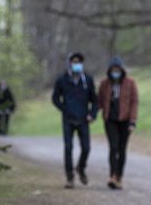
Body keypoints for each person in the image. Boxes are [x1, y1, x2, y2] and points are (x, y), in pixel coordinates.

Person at [52, 52, 98, 188]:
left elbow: (94, 100)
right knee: (68, 147)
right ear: (70, 63)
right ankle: (70, 177)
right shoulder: (62, 80)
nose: (76, 64)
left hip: (83, 119)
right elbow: (55, 98)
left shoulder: (87, 80)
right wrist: (64, 109)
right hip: (68, 119)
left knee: (86, 147)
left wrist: (92, 114)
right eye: (74, 62)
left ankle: (81, 168)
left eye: (79, 62)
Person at [97, 56, 139, 190]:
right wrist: (92, 113)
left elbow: (134, 102)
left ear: (122, 70)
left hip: (125, 120)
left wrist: (132, 121)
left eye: (118, 69)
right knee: (113, 147)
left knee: (122, 149)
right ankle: (112, 175)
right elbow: (99, 101)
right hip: (110, 119)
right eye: (113, 69)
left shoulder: (130, 83)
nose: (116, 72)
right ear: (109, 70)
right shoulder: (105, 83)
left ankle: (119, 176)